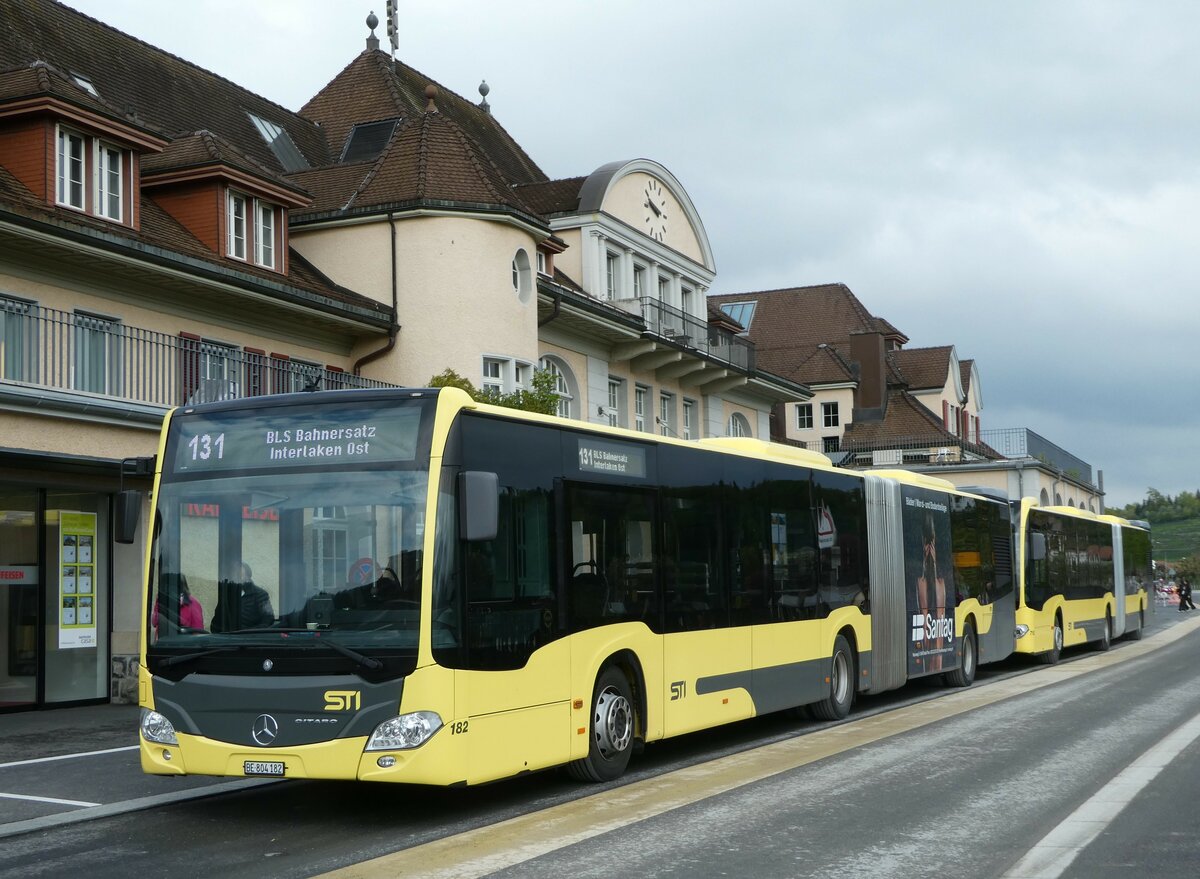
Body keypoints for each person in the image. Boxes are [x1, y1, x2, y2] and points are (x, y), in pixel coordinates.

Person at [211, 562, 275, 632]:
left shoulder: (259, 594)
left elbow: (268, 619)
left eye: (240, 574)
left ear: (248, 576)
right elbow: (216, 623)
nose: (236, 577)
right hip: (228, 636)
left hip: (249, 636)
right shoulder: (228, 595)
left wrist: (250, 632)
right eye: (234, 575)